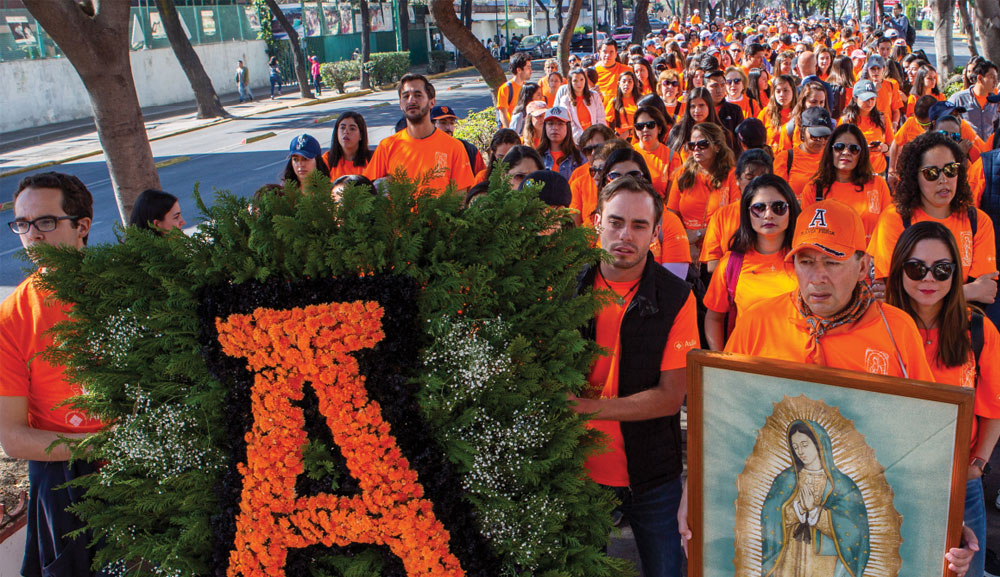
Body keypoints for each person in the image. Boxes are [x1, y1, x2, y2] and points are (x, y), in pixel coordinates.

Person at [682, 198, 979, 577]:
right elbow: (722, 428)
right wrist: (690, 493)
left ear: (862, 265)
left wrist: (946, 524)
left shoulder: (896, 330)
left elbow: (922, 445)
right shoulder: (759, 322)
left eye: (832, 261)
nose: (817, 276)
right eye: (806, 262)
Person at [570, 174, 698, 577]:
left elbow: (670, 397)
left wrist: (583, 407)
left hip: (651, 475)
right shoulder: (564, 287)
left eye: (640, 225)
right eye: (616, 221)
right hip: (577, 469)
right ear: (596, 222)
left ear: (656, 233)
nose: (626, 234)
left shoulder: (677, 297)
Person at [1, 172, 103, 576]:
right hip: (64, 480)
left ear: (82, 227)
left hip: (145, 468)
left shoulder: (130, 288)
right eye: (22, 224)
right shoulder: (12, 319)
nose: (32, 235)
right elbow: (13, 438)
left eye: (45, 221)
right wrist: (97, 445)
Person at [886, 222, 1000, 577]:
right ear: (899, 269)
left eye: (942, 269)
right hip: (890, 479)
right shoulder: (877, 327)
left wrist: (977, 465)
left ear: (956, 274)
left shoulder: (978, 330)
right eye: (916, 267)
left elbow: (993, 410)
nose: (928, 278)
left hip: (958, 483)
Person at [868, 132, 998, 306]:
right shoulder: (894, 219)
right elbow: (890, 294)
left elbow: (985, 293)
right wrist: (968, 291)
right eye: (931, 173)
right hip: (908, 328)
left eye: (951, 170)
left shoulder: (978, 222)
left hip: (959, 327)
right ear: (915, 177)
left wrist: (917, 294)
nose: (943, 180)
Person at [760, 419, 870, 576]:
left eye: (805, 445)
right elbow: (769, 515)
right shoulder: (786, 479)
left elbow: (855, 531)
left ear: (819, 443)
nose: (800, 452)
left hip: (824, 561)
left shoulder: (841, 484)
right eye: (795, 447)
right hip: (789, 558)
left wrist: (814, 511)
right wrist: (796, 509)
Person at [704, 174, 799, 350]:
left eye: (778, 207)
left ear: (791, 210)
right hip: (745, 369)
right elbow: (714, 317)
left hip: (797, 369)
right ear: (747, 213)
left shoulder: (807, 260)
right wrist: (721, 362)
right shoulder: (731, 264)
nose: (768, 215)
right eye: (759, 208)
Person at [365, 74, 476, 194]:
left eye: (418, 95)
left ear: (432, 102)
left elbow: (460, 198)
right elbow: (368, 190)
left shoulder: (454, 147)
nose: (411, 100)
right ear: (400, 104)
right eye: (406, 96)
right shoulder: (386, 147)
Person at [801, 124, 891, 244]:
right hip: (829, 260)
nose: (846, 152)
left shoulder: (877, 184)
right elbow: (806, 237)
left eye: (854, 149)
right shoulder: (813, 189)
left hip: (868, 260)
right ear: (830, 150)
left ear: (862, 154)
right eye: (839, 147)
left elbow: (887, 230)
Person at [667, 122, 739, 263]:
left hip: (720, 251)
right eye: (692, 146)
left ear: (717, 147)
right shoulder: (682, 174)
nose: (696, 149)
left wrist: (697, 235)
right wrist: (687, 241)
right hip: (686, 249)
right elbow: (671, 214)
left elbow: (735, 218)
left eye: (703, 144)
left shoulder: (732, 175)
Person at [701, 148, 774, 273]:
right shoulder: (722, 216)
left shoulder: (780, 213)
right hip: (732, 285)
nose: (756, 182)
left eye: (762, 177)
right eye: (749, 177)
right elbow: (712, 265)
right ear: (738, 180)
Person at [773, 107, 832, 202]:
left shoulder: (832, 159)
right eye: (815, 136)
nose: (821, 140)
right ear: (803, 132)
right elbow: (777, 195)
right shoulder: (785, 158)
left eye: (825, 136)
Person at [840, 79, 892, 175]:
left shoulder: (882, 118)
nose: (870, 103)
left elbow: (891, 147)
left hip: (878, 172)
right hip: (854, 173)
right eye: (866, 99)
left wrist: (884, 148)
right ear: (855, 98)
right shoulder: (846, 121)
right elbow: (839, 150)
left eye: (872, 99)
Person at [948, 59, 999, 142]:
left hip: (989, 152)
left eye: (996, 78)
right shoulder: (959, 99)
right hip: (966, 151)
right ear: (980, 78)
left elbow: (997, 128)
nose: (995, 82)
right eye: (992, 77)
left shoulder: (996, 101)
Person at [431, 105, 487, 177]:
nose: (448, 127)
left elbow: (482, 178)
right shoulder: (425, 149)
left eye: (452, 123)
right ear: (431, 125)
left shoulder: (469, 149)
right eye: (443, 123)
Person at [537, 106, 586, 182]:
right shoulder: (537, 156)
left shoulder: (579, 158)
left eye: (560, 123)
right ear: (545, 127)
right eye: (550, 124)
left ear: (568, 127)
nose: (555, 128)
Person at [323, 111, 373, 182]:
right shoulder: (327, 159)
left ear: (361, 135)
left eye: (352, 129)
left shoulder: (372, 159)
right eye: (342, 128)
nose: (346, 132)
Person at [559, 67, 606, 140]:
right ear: (570, 82)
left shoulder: (594, 96)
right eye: (575, 81)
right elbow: (569, 124)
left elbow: (601, 117)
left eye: (581, 79)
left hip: (596, 138)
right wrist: (584, 138)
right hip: (577, 140)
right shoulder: (565, 100)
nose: (579, 83)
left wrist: (597, 136)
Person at [757, 74, 797, 150]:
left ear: (793, 91)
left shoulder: (799, 113)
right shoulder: (766, 113)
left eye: (785, 90)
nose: (782, 94)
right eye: (778, 91)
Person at [497, 53, 533, 128]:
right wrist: (511, 134)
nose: (531, 71)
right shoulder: (505, 88)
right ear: (519, 70)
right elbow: (503, 115)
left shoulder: (527, 87)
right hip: (512, 134)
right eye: (528, 68)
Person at [607, 71, 642, 140]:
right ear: (619, 84)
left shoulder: (641, 100)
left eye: (630, 82)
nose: (626, 84)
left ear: (634, 84)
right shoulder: (614, 102)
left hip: (638, 138)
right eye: (624, 81)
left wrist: (629, 132)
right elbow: (607, 122)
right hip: (620, 139)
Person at [595, 38, 632, 103]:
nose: (607, 55)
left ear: (616, 53)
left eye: (611, 52)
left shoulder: (627, 70)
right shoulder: (593, 72)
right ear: (599, 53)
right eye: (604, 52)